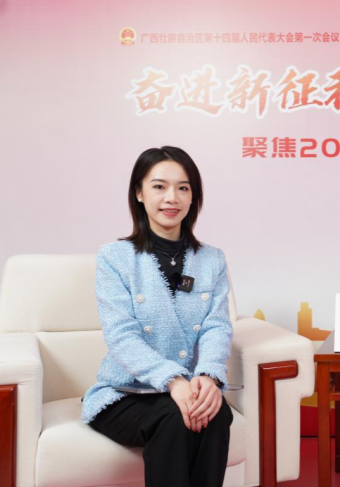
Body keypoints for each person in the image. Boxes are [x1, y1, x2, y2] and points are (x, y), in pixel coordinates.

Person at [82, 146, 234, 487]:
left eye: (183, 187)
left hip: (189, 387)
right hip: (125, 393)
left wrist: (208, 376)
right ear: (139, 193)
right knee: (173, 417)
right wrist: (173, 381)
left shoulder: (212, 259)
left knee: (216, 412)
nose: (172, 198)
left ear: (193, 196)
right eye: (159, 186)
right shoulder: (115, 257)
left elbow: (216, 326)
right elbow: (121, 335)